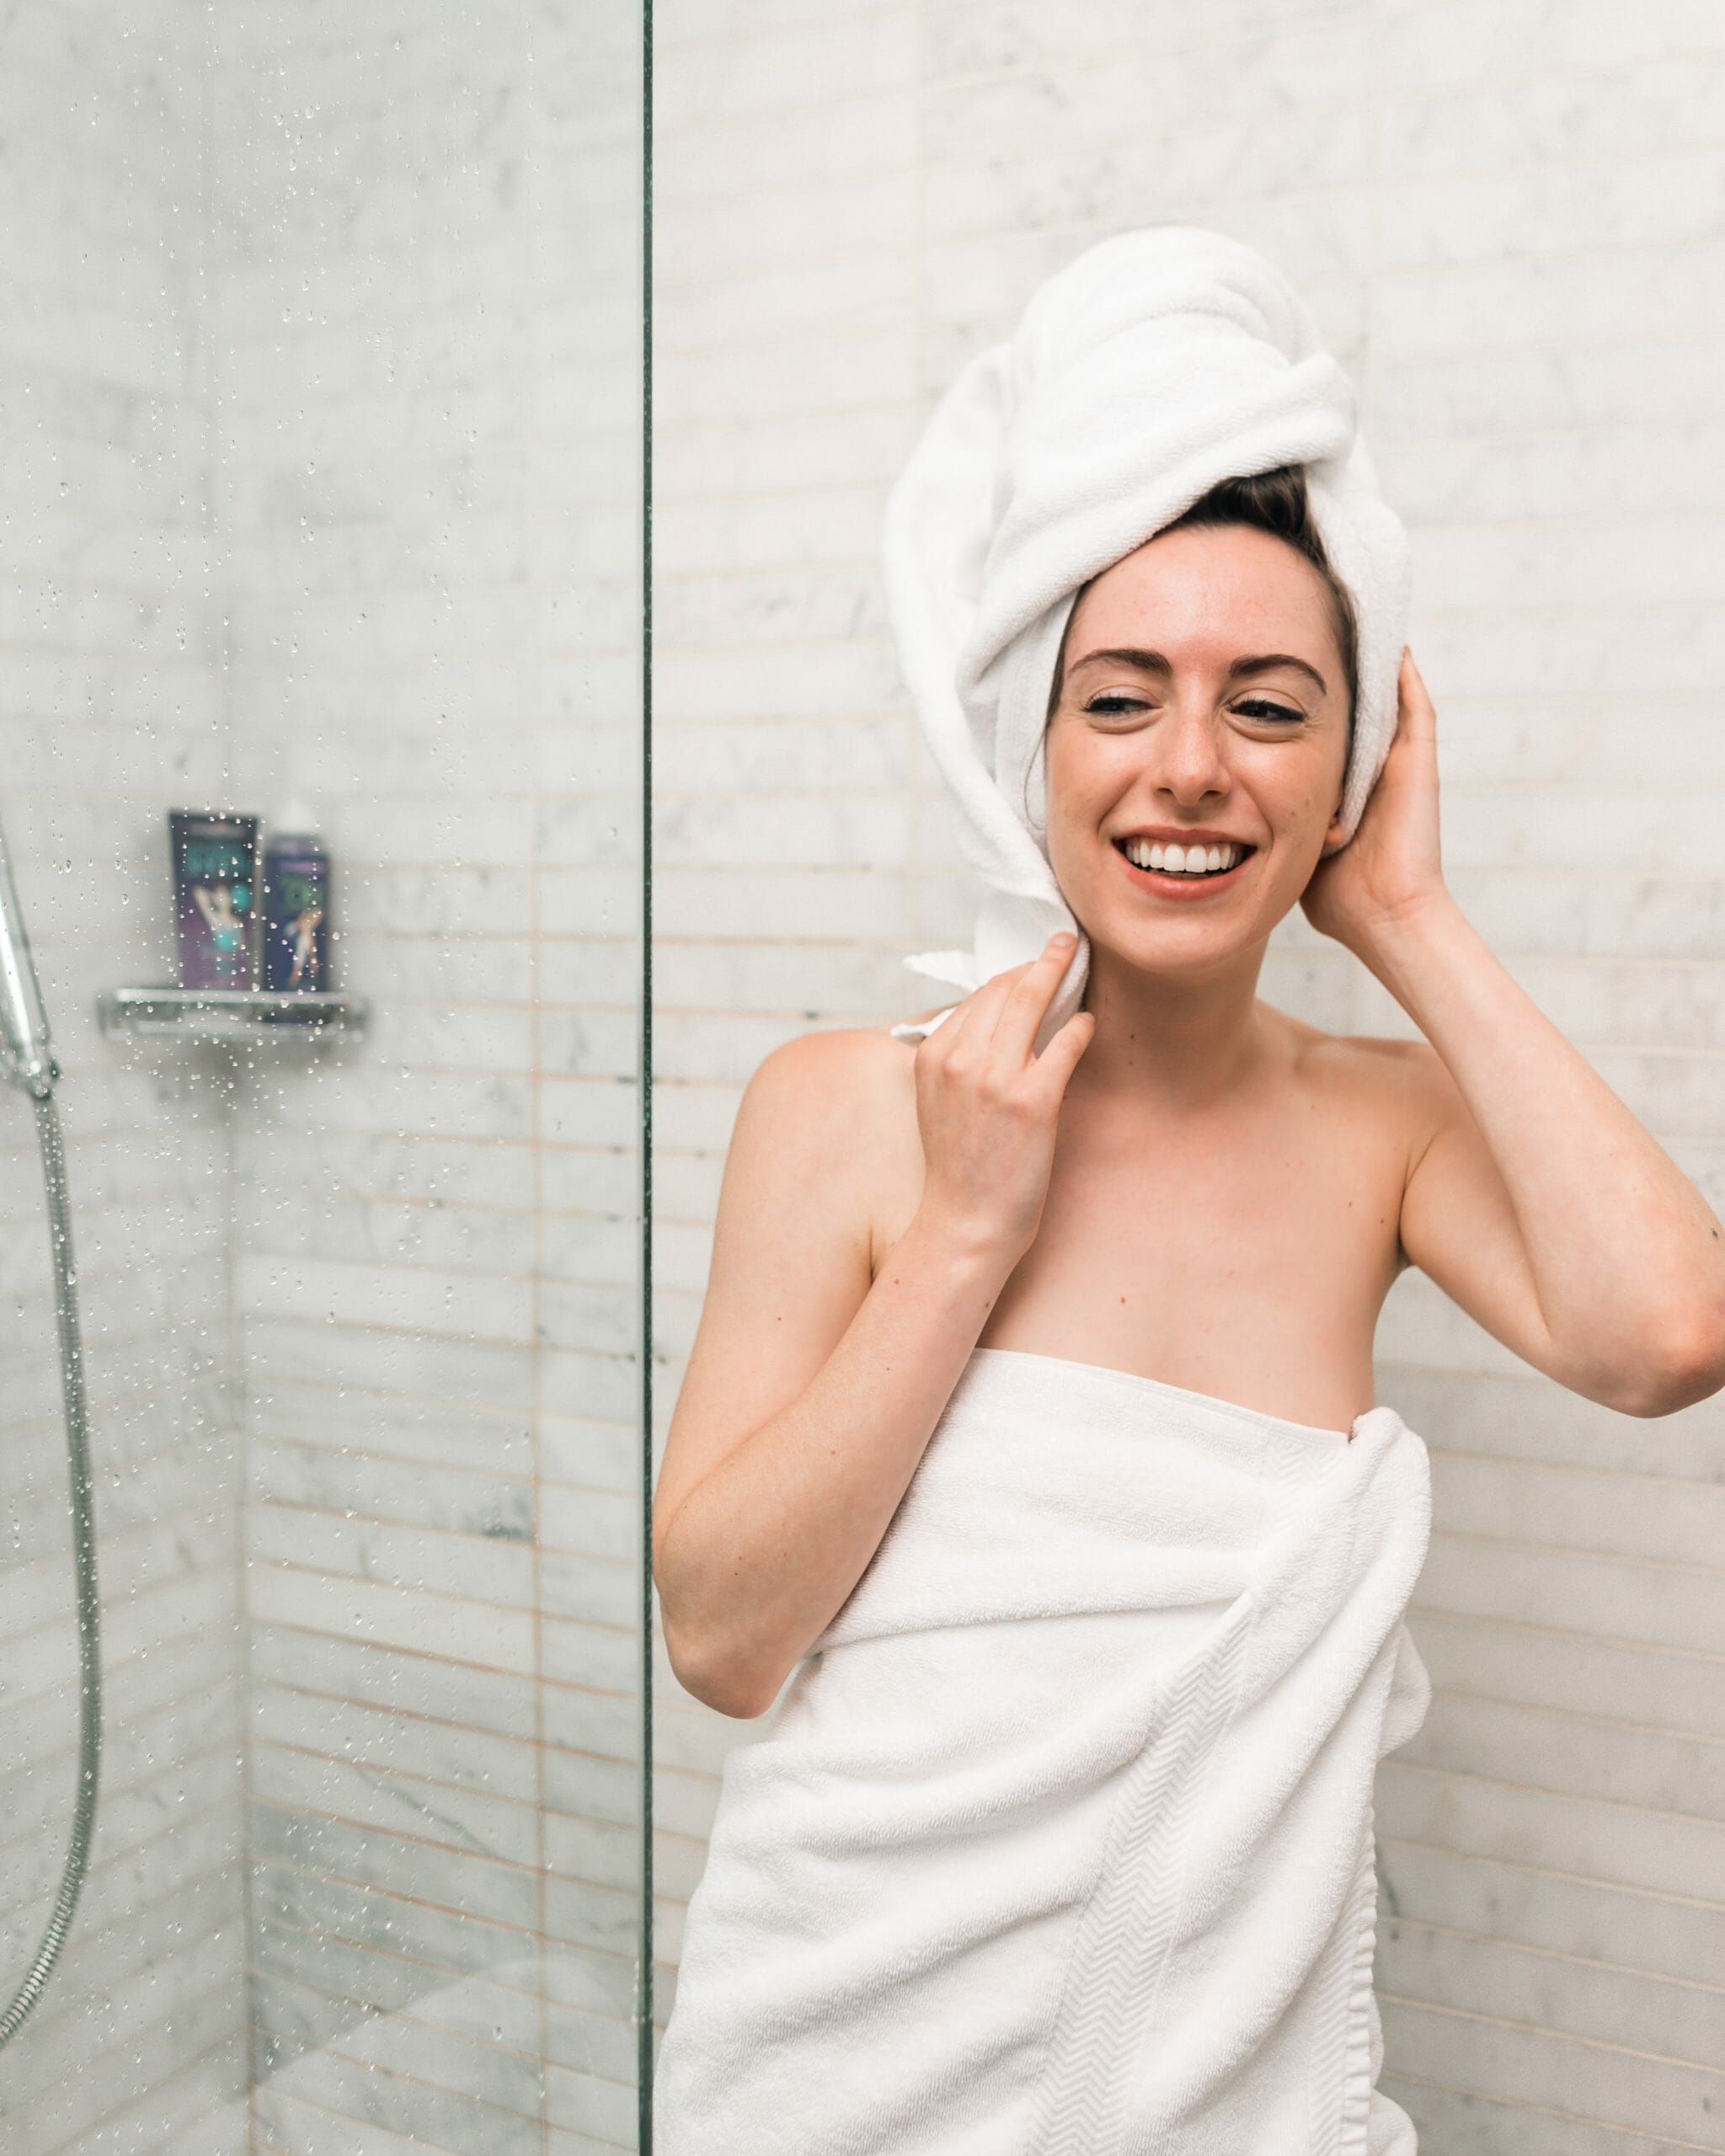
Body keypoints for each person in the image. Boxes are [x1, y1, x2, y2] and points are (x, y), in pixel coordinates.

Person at [650, 236, 1725, 2155]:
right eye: (1122, 696)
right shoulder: (840, 1110)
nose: (1190, 769)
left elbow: (1667, 1334)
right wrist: (968, 1228)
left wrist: (1405, 911)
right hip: (841, 2061)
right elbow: (726, 1638)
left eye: (1270, 706)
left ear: (1347, 765)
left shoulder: (1376, 1130)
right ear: (1031, 748)